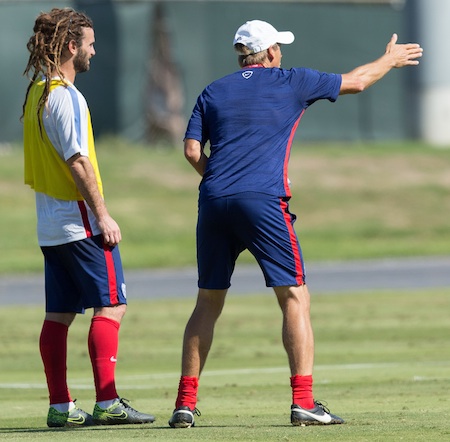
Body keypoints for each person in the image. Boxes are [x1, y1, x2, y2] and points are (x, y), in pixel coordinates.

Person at [168, 19, 423, 428]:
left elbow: (191, 150)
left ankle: (183, 404)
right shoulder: (291, 81)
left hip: (213, 200)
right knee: (294, 297)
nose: (282, 53)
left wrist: (220, 179)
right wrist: (389, 60)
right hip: (263, 201)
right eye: (279, 48)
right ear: (269, 52)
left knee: (208, 301)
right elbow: (356, 82)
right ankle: (303, 401)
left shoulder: (213, 90)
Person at [21, 8, 155, 428]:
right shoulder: (66, 96)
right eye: (90, 43)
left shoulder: (36, 92)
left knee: (58, 315)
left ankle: (61, 407)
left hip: (50, 225)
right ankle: (108, 402)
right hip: (80, 223)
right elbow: (78, 161)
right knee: (111, 305)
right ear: (72, 46)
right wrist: (103, 215)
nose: (94, 52)